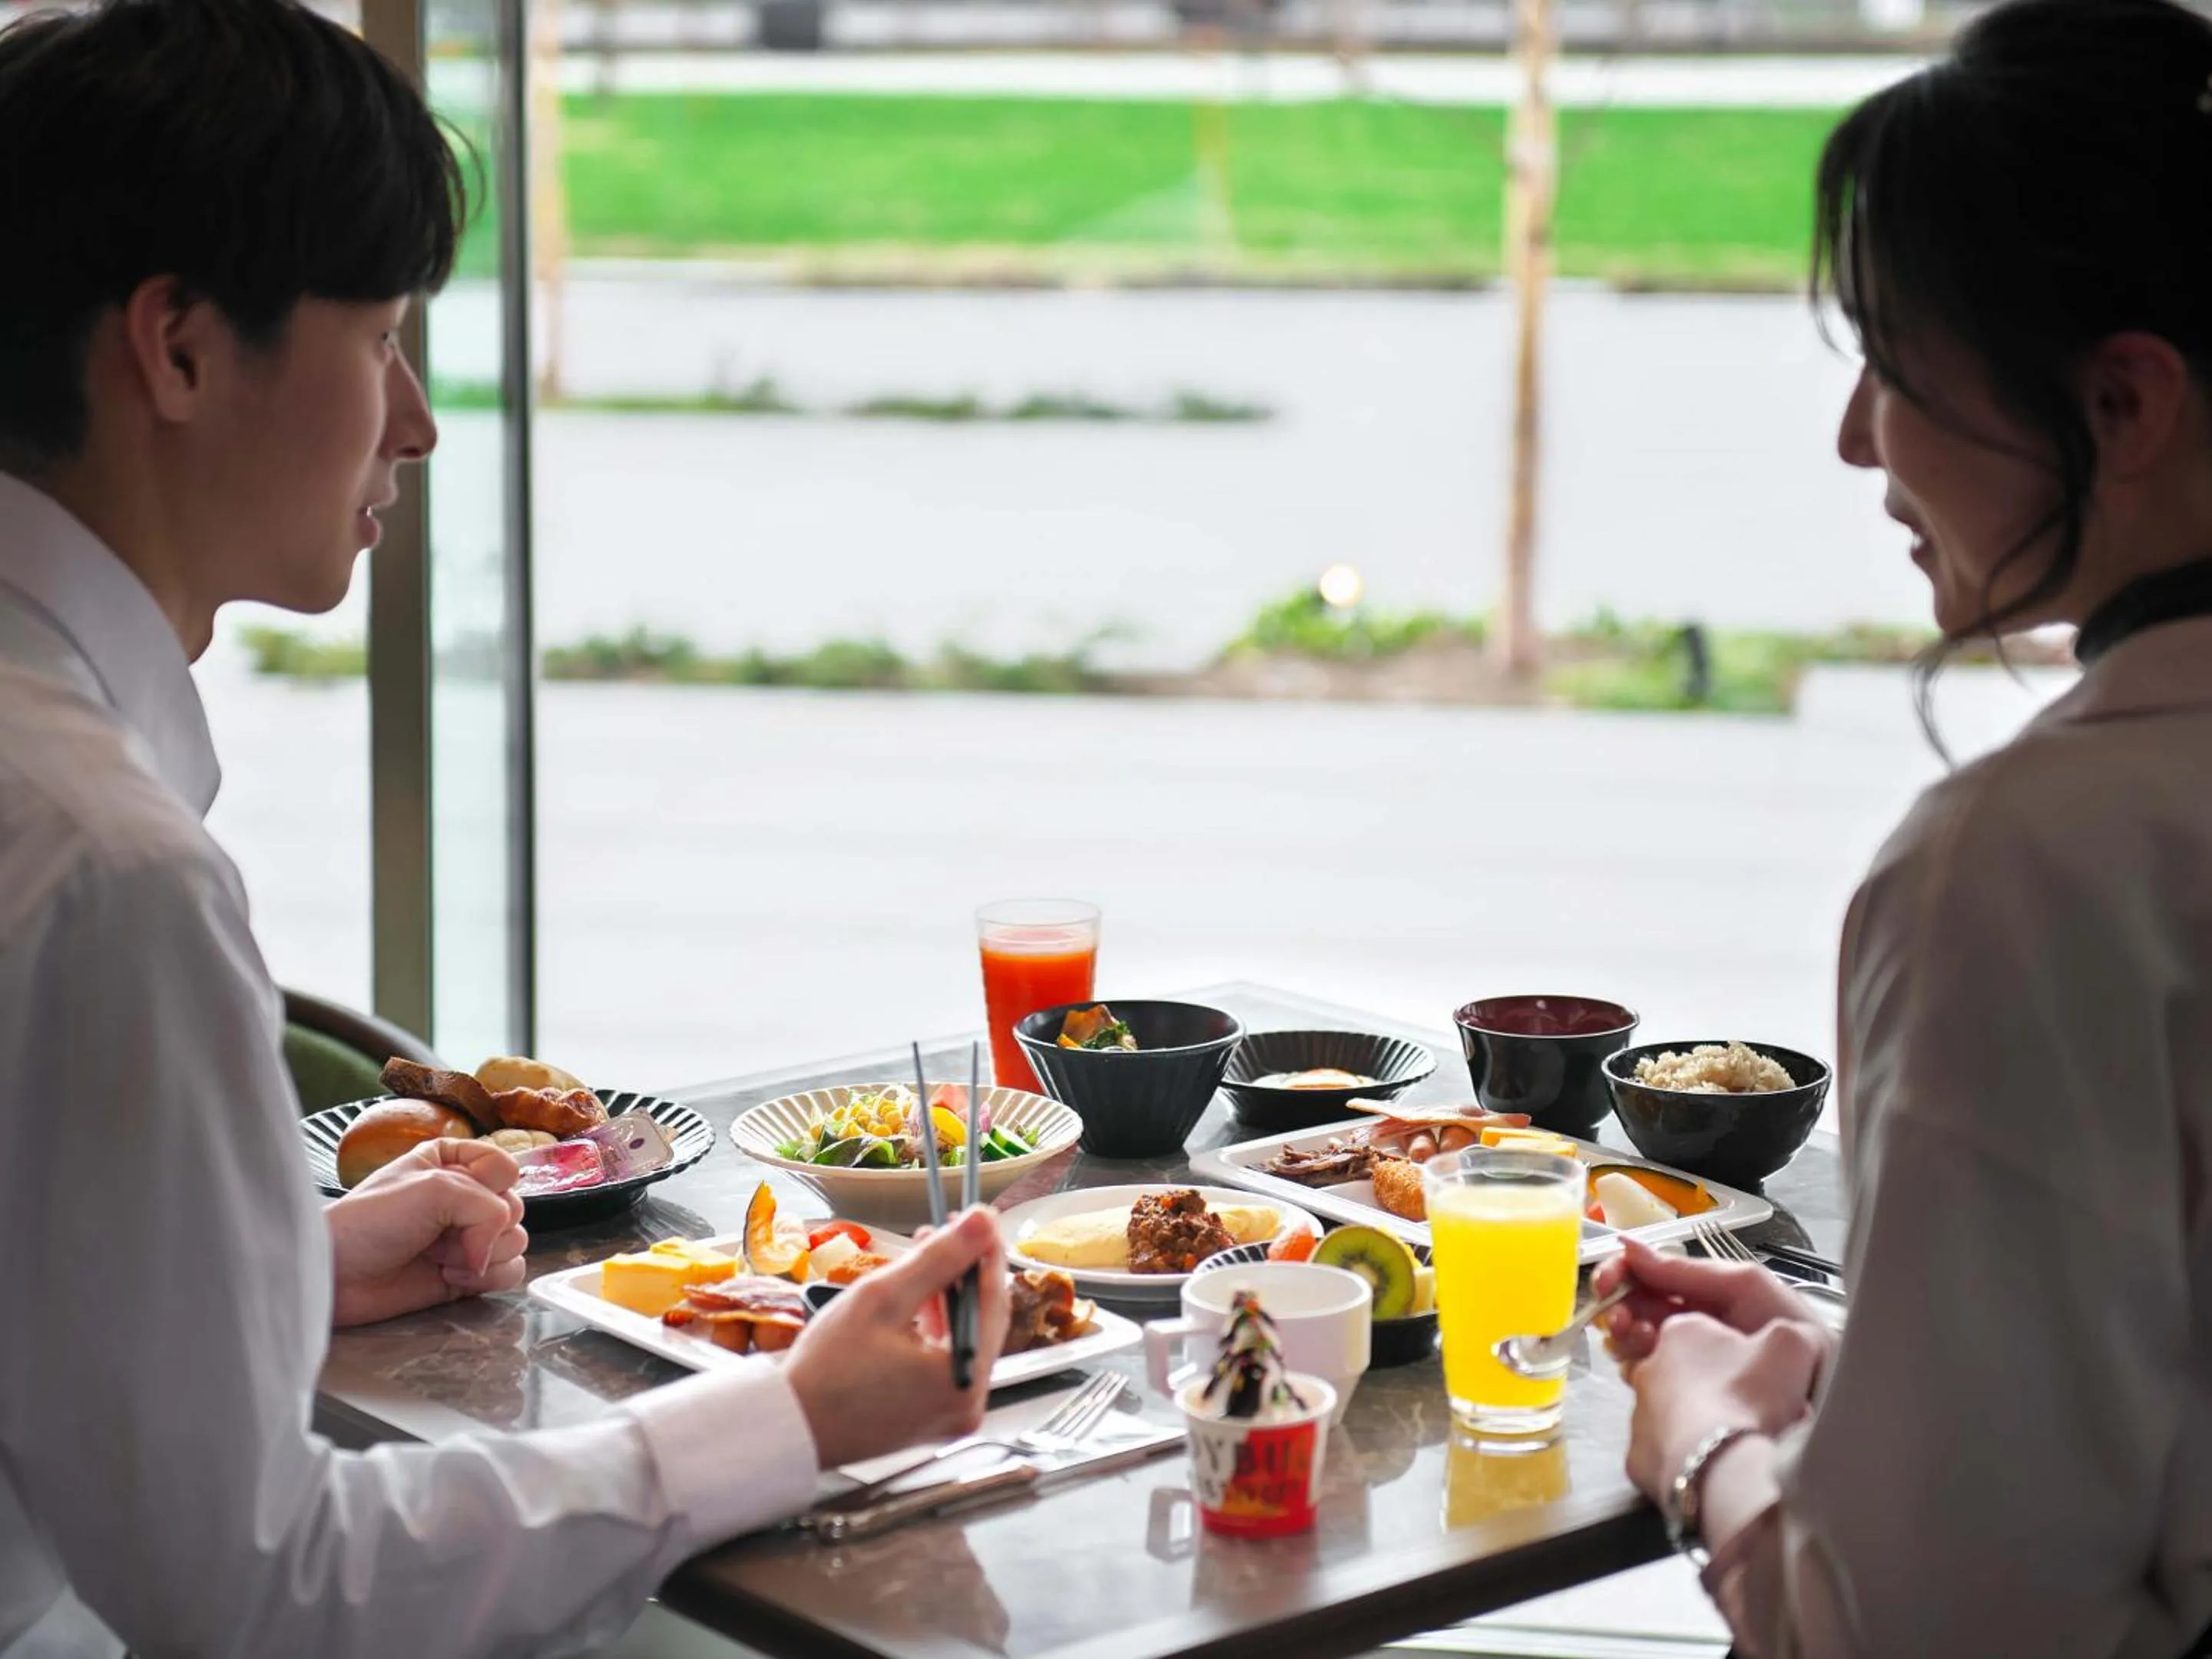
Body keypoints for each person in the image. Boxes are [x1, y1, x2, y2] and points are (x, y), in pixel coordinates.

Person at [0, 2, 1010, 1654]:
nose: (417, 420)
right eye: (380, 335)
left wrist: (278, 1275)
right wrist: (796, 1416)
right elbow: (261, 1587)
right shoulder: (110, 873)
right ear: (177, 348)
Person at [1595, 1, 2212, 1653]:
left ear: (2126, 405)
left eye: (1893, 360)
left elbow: (1919, 1628)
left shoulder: (2039, 864)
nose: (1858, 436)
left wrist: (1706, 1444)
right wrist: (1860, 1360)